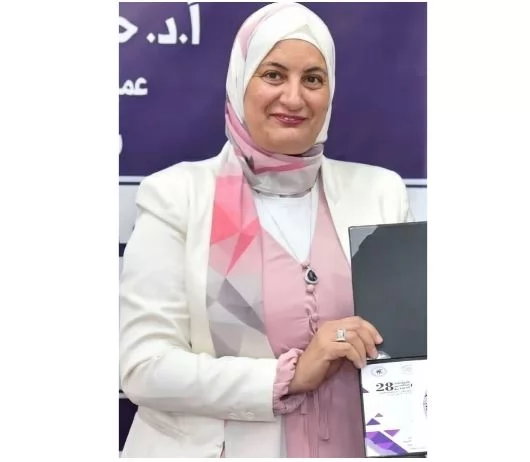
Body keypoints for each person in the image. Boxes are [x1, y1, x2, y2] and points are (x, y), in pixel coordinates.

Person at [119, 2, 414, 458]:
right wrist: (288, 376)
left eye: (312, 79)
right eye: (274, 75)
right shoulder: (178, 196)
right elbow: (144, 366)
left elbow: (407, 346)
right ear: (241, 81)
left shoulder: (380, 193)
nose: (294, 98)